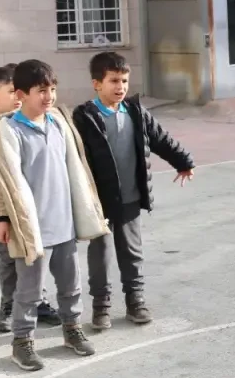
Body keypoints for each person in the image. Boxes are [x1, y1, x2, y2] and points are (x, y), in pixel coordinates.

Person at [0, 59, 109, 371]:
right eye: (41, 91)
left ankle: (71, 330)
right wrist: (0, 218)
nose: (48, 96)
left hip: (64, 223)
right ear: (21, 94)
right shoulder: (8, 130)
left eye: (52, 89)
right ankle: (22, 342)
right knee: (29, 291)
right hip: (31, 227)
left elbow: (76, 170)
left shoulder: (59, 122)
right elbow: (1, 181)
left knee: (70, 285)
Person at [73, 52, 196, 330]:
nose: (121, 87)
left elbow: (160, 139)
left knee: (132, 252)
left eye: (124, 80)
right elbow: (73, 157)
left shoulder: (136, 112)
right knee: (101, 254)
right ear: (96, 84)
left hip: (130, 197)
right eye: (113, 81)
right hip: (99, 203)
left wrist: (183, 161)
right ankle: (101, 306)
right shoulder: (84, 117)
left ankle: (135, 300)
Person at [0, 64, 62, 333]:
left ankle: (39, 299)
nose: (17, 98)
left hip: (39, 205)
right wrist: (0, 216)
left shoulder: (41, 121)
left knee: (39, 254)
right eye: (11, 92)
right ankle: (9, 305)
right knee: (9, 257)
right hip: (11, 208)